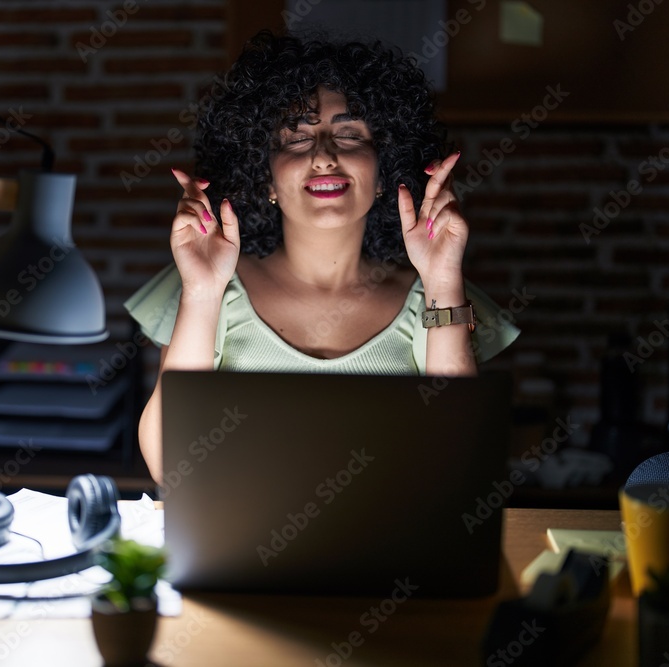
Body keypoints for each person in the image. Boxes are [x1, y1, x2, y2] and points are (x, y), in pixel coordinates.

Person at [125, 31, 519, 483]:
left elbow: (460, 459)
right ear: (266, 177)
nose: (325, 156)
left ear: (383, 171)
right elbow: (169, 465)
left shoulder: (432, 296)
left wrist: (444, 276)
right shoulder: (209, 288)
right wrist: (200, 290)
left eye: (349, 135)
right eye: (296, 139)